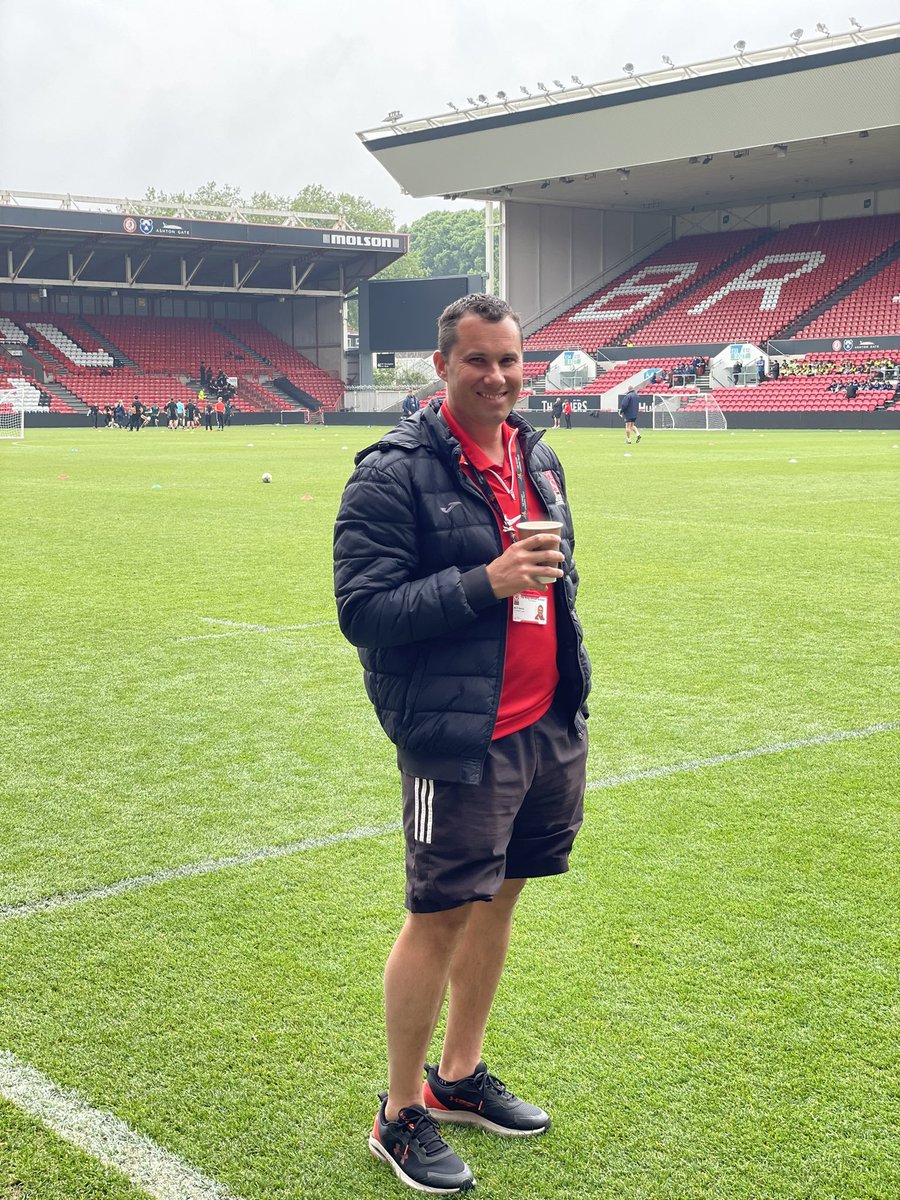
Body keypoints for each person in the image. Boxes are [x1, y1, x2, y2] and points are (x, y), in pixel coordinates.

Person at [335, 294, 590, 1195]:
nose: (497, 377)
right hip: (457, 738)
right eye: (478, 361)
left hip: (546, 724)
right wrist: (487, 580)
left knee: (501, 903)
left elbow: (557, 587)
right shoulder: (391, 473)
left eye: (511, 361)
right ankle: (398, 1112)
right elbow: (364, 613)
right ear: (441, 366)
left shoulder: (538, 455)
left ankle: (456, 1079)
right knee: (439, 914)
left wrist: (568, 683)